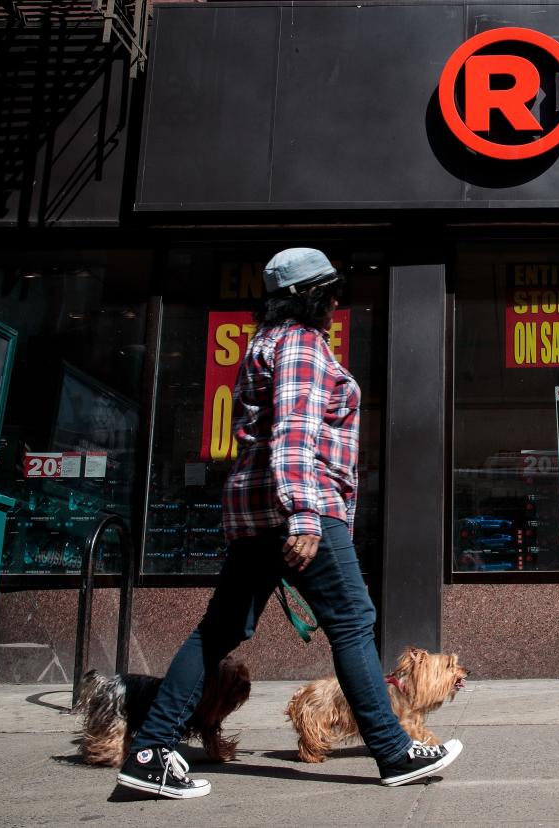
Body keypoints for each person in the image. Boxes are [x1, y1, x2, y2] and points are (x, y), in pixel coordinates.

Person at [116, 248, 462, 799]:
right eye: (330, 291)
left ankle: (151, 751)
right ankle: (395, 753)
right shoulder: (302, 345)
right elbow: (295, 438)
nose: (336, 300)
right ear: (311, 297)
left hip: (256, 514)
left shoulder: (262, 344)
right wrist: (304, 516)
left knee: (219, 631)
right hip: (300, 508)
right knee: (352, 621)